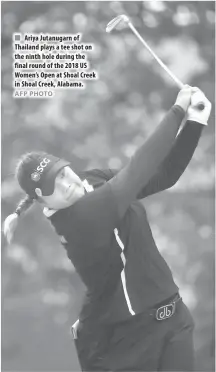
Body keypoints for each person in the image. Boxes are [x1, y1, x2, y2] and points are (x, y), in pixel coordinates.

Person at [3, 86, 211, 371]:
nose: (67, 184)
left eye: (62, 173)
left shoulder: (92, 180)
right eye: (53, 186)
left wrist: (195, 123)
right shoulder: (78, 221)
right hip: (134, 340)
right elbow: (138, 168)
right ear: (41, 200)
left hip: (173, 319)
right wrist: (177, 112)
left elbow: (161, 176)